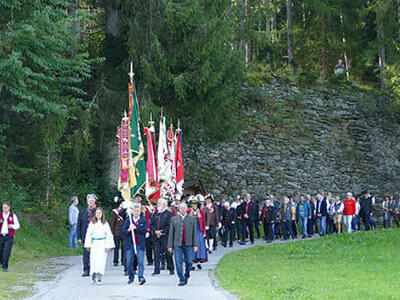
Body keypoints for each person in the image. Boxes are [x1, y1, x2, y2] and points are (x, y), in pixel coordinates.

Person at [168, 202, 198, 286]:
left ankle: (187, 274)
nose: (182, 209)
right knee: (178, 262)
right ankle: (181, 278)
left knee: (189, 261)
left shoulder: (192, 219)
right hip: (177, 244)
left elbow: (194, 233)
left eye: (184, 208)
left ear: (187, 209)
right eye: (181, 208)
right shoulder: (174, 219)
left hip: (188, 243)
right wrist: (170, 246)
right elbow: (171, 233)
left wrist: (195, 245)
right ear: (179, 209)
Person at [84, 207, 114, 284]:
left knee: (101, 260)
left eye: (100, 213)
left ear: (102, 214)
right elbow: (88, 234)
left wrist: (108, 246)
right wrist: (88, 244)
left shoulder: (105, 223)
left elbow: (109, 235)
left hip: (102, 243)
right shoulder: (92, 223)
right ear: (95, 214)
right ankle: (93, 273)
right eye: (97, 213)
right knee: (94, 259)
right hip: (94, 243)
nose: (98, 214)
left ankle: (99, 275)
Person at [121, 202, 147, 285]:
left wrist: (136, 227)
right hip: (130, 244)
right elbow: (123, 232)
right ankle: (131, 277)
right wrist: (129, 229)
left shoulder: (143, 220)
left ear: (140, 212)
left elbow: (144, 231)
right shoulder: (128, 220)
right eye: (135, 211)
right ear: (132, 212)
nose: (136, 213)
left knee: (140, 261)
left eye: (138, 211)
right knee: (129, 262)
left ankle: (140, 277)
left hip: (140, 244)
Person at [151, 198, 174, 276]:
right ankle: (156, 269)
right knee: (156, 253)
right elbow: (152, 224)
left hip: (165, 236)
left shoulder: (169, 213)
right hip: (156, 237)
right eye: (158, 203)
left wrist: (162, 232)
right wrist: (155, 231)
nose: (158, 204)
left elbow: (170, 225)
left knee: (168, 253)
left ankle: (171, 268)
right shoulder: (155, 214)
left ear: (164, 204)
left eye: (160, 203)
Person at [77, 194, 97, 277]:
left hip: (95, 236)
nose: (91, 202)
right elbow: (79, 225)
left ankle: (94, 270)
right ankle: (86, 269)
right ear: (87, 202)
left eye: (92, 201)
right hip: (85, 235)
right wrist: (79, 237)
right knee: (86, 253)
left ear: (95, 202)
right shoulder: (82, 212)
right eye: (89, 201)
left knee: (95, 253)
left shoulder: (97, 212)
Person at [188, 196, 208, 268]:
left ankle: (198, 262)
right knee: (191, 246)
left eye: (195, 204)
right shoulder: (188, 211)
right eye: (192, 204)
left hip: (199, 230)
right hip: (191, 231)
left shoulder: (201, 212)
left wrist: (204, 232)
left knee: (199, 246)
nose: (194, 205)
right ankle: (191, 263)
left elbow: (203, 222)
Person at [0, 202, 20, 272]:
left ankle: (5, 267)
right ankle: (2, 263)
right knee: (0, 251)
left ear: (9, 208)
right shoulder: (0, 215)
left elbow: (18, 225)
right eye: (3, 208)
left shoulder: (13, 216)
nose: (4, 209)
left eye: (5, 208)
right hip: (1, 236)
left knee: (6, 251)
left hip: (9, 236)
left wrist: (12, 226)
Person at [110, 199, 125, 267]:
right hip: (117, 231)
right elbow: (112, 222)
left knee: (124, 247)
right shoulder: (115, 211)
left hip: (124, 231)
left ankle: (123, 260)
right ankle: (115, 261)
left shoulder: (126, 211)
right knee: (116, 247)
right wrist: (112, 232)